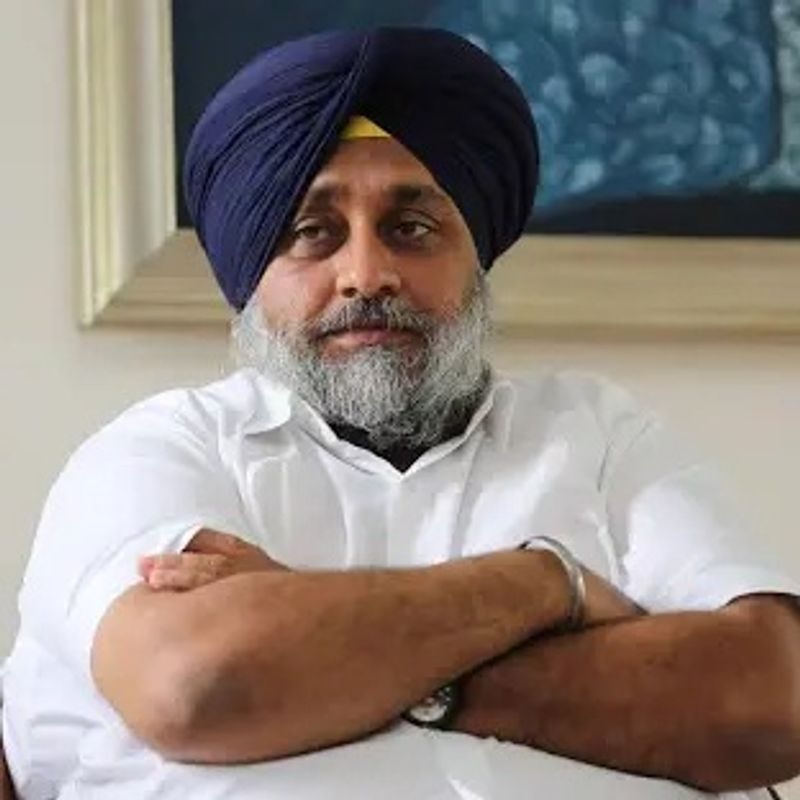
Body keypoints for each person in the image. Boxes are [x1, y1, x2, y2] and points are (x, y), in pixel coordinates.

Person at [2, 27, 800, 800]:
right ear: (251, 280)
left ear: (474, 258)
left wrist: (328, 653)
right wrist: (546, 584)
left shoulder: (598, 436)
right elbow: (195, 685)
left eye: (411, 228)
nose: (367, 272)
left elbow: (772, 698)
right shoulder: (161, 450)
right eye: (312, 232)